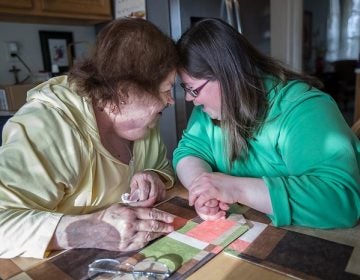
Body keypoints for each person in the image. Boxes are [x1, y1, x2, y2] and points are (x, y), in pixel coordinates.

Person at [0, 18, 179, 258]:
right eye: (167, 90)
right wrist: (87, 230)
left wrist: (154, 176)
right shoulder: (50, 126)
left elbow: (161, 168)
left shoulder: (145, 125)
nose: (171, 101)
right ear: (125, 92)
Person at [173, 18, 360, 229]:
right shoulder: (208, 110)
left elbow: (339, 201)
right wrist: (203, 188)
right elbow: (190, 151)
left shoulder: (303, 108)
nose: (190, 99)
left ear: (226, 75)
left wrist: (236, 189)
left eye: (193, 89)